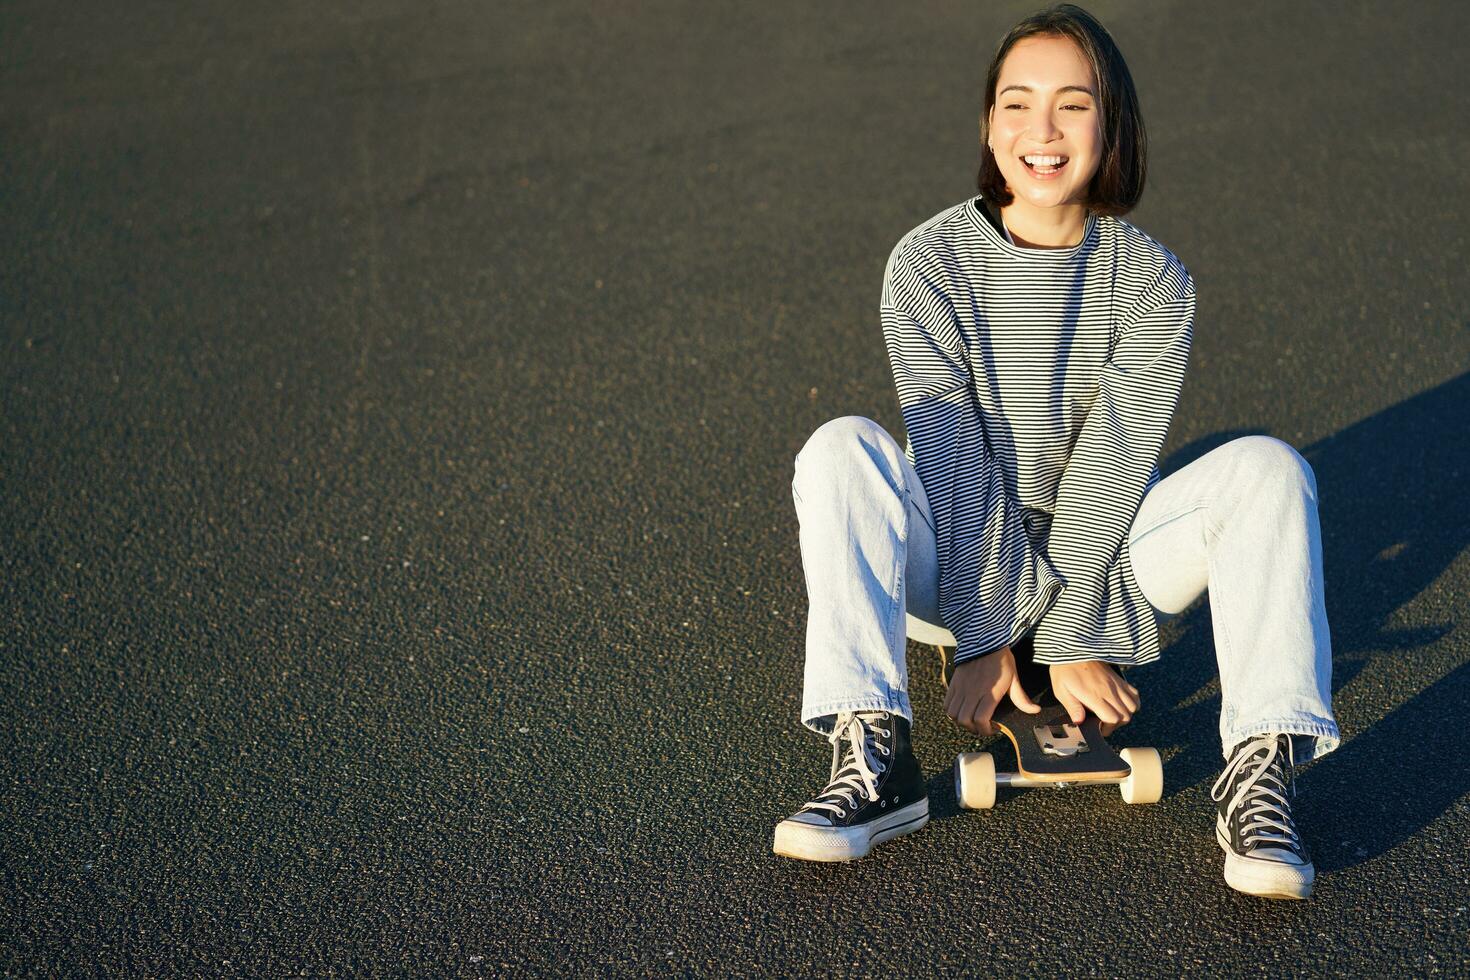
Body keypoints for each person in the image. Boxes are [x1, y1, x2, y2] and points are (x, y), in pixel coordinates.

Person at [770, 3, 1338, 901]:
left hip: (1108, 557)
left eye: (1072, 105)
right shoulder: (927, 264)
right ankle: (875, 756)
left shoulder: (1152, 280)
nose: (1042, 130)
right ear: (988, 125)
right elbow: (954, 455)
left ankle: (1260, 774)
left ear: (1112, 124)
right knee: (841, 449)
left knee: (1269, 469)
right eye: (1017, 103)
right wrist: (988, 632)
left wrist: (1074, 633)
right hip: (954, 561)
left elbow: (1114, 465)